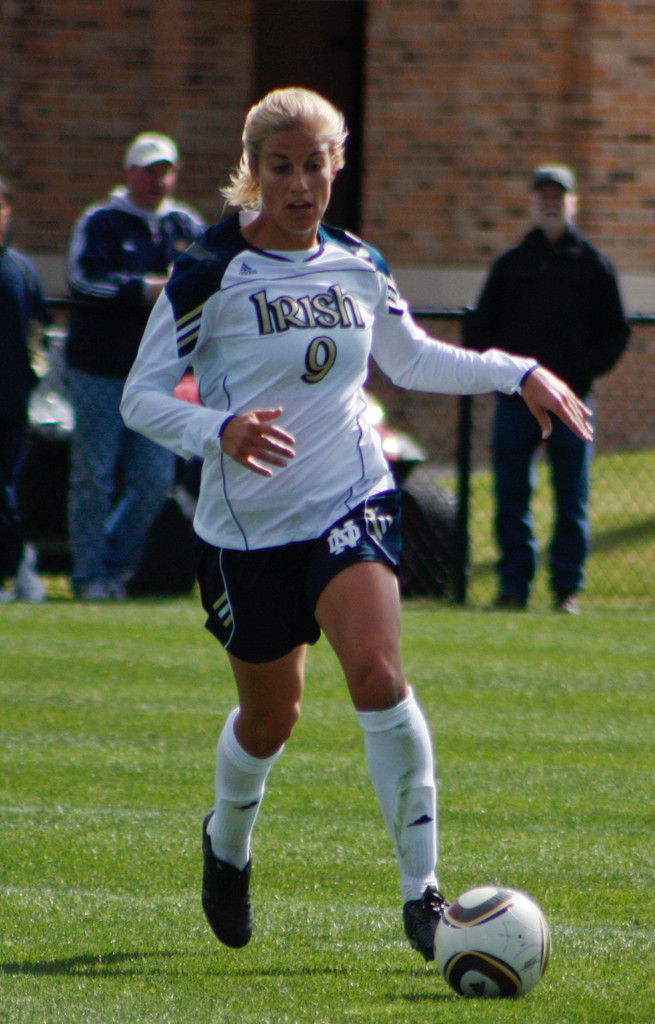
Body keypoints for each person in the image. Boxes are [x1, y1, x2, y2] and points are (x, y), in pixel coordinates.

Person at [120, 89, 593, 960]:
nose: (300, 185)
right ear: (253, 171)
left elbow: (411, 358)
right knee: (271, 721)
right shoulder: (207, 273)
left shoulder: (356, 264)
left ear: (337, 166)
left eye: (314, 166)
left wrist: (513, 369)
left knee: (377, 675)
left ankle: (423, 894)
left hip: (350, 497)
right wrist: (216, 429)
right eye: (281, 167)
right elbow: (140, 398)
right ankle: (227, 845)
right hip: (245, 532)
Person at [464, 165, 630, 613]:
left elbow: (616, 331)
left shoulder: (593, 266)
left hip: (572, 402)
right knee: (511, 496)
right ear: (532, 202)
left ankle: (567, 591)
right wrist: (500, 375)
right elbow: (479, 329)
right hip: (516, 403)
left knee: (571, 497)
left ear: (574, 202)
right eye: (543, 195)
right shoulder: (512, 265)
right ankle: (513, 589)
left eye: (559, 195)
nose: (551, 202)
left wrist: (583, 371)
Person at [65, 132, 205, 599]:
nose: (157, 180)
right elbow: (84, 280)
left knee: (154, 481)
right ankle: (89, 577)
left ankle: (115, 566)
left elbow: (205, 284)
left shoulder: (185, 224)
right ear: (129, 173)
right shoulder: (102, 221)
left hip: (158, 377)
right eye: (148, 170)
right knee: (94, 475)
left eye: (165, 171)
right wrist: (145, 289)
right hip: (99, 370)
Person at [0, 176, 50, 603]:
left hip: (10, 404)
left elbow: (38, 333)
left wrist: (32, 375)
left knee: (6, 491)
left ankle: (17, 568)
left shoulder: (21, 271)